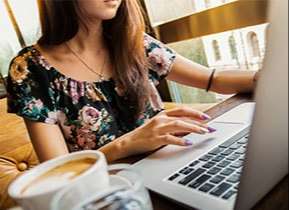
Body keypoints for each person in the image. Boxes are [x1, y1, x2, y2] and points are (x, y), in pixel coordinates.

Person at [6, 0, 258, 163]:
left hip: (170, 164)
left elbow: (211, 79)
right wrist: (127, 144)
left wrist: (268, 77)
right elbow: (57, 171)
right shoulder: (30, 68)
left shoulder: (134, 42)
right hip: (105, 191)